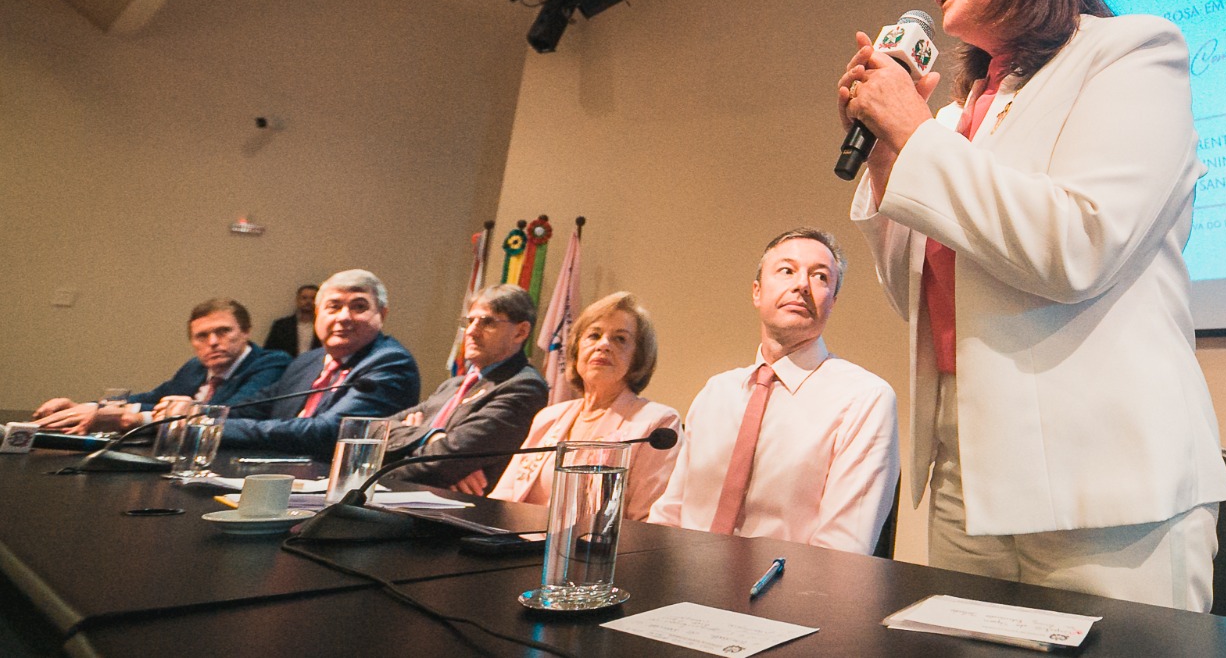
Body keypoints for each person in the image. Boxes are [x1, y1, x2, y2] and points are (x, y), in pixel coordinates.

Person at [839, 0, 1226, 611]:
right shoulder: (959, 115)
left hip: (1107, 482)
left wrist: (915, 134)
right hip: (963, 470)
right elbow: (920, 300)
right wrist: (894, 150)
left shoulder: (1132, 51)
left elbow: (1079, 245)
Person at [649, 229, 899, 555]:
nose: (801, 285)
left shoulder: (864, 399)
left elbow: (840, 555)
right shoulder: (716, 392)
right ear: (757, 292)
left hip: (784, 598)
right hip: (681, 587)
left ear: (832, 302)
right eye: (787, 270)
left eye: (820, 277)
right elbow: (668, 517)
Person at [485, 292, 679, 518]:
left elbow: (647, 520)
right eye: (594, 335)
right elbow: (502, 500)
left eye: (620, 339)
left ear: (638, 356)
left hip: (590, 550)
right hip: (514, 545)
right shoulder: (549, 417)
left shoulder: (656, 424)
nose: (603, 345)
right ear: (577, 351)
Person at [221, 269, 421, 458]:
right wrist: (198, 415)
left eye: (359, 307)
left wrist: (220, 429)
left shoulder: (390, 362)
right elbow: (257, 406)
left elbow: (327, 432)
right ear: (318, 313)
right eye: (333, 307)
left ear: (382, 315)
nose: (343, 317)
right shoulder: (309, 360)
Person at [31, 299, 291, 433]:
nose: (212, 342)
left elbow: (230, 414)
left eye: (223, 331)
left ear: (246, 332)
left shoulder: (271, 362)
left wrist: (131, 418)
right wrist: (90, 407)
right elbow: (155, 398)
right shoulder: (195, 367)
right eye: (202, 336)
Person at [379, 284, 549, 488]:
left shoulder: (523, 386)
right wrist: (427, 435)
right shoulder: (453, 385)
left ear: (520, 332)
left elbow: (445, 460)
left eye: (487, 322)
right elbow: (372, 429)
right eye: (469, 321)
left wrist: (375, 474)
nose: (471, 332)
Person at [263, 284, 320, 357]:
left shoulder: (324, 327)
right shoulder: (281, 326)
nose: (308, 302)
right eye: (304, 298)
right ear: (297, 300)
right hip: (286, 366)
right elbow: (269, 352)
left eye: (313, 298)